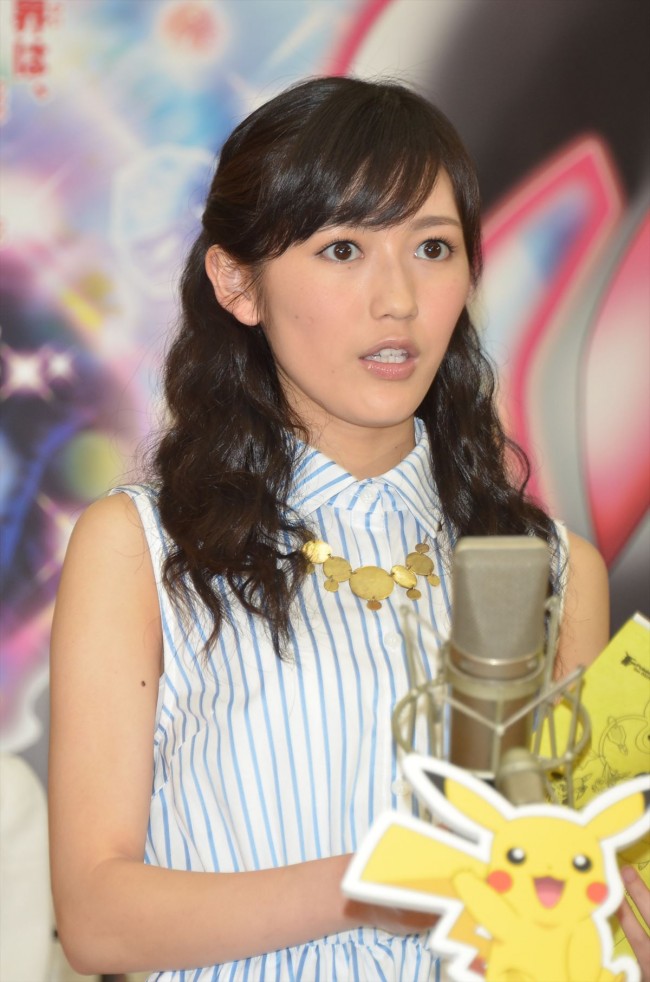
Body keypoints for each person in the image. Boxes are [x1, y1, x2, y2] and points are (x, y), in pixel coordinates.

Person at [49, 75, 622, 981]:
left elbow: (573, 897)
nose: (398, 298)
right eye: (344, 249)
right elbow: (96, 919)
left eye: (432, 247)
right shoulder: (141, 547)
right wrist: (371, 885)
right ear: (237, 282)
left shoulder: (550, 568)